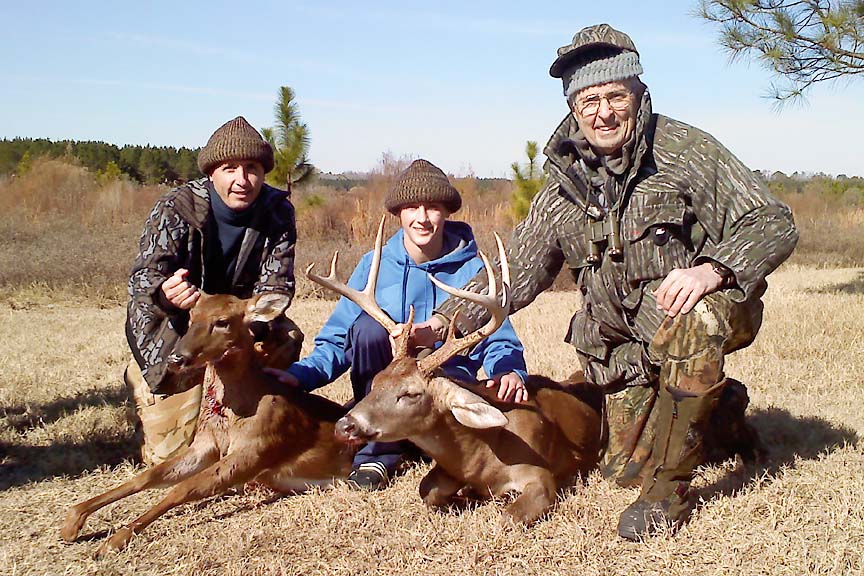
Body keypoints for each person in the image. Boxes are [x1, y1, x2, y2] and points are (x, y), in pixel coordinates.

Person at [411, 24, 798, 539]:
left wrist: (713, 270)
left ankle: (669, 493)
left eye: (616, 95)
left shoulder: (686, 151)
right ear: (573, 107)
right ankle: (719, 411)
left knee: (694, 323)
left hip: (699, 318)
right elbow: (517, 272)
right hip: (625, 355)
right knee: (620, 470)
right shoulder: (564, 185)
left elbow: (773, 221)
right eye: (589, 100)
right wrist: (442, 323)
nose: (604, 112)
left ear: (638, 94)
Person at [271, 159, 528, 490]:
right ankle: (379, 452)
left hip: (443, 391)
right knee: (367, 329)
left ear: (446, 212)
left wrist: (508, 370)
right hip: (385, 396)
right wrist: (298, 376)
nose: (422, 218)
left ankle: (429, 448)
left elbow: (497, 338)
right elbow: (337, 341)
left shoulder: (473, 269)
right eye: (412, 207)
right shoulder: (375, 265)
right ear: (398, 213)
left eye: (432, 207)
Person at [125, 116, 301, 466]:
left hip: (235, 321)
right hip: (175, 327)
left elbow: (277, 285)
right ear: (211, 173)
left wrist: (247, 330)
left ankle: (246, 410)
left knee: (287, 336)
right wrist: (165, 293)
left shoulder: (277, 210)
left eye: (252, 168)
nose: (242, 179)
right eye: (230, 168)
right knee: (171, 457)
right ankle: (147, 383)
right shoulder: (176, 207)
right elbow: (142, 277)